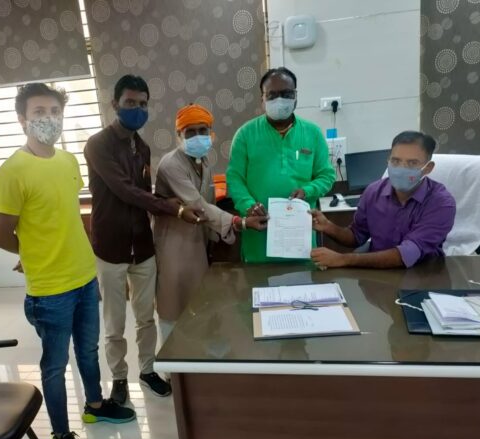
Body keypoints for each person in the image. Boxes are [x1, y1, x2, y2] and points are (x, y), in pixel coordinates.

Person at [0, 83, 136, 439]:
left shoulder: (69, 161)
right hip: (50, 290)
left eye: (55, 111)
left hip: (84, 277)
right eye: (39, 112)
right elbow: (1, 236)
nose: (49, 119)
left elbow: (68, 217)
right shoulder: (12, 172)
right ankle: (60, 433)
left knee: (88, 350)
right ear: (22, 119)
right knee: (55, 365)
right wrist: (31, 256)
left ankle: (95, 406)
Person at [85, 75, 202, 405]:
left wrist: (170, 203)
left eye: (142, 104)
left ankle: (148, 370)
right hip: (110, 247)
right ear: (115, 104)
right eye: (130, 103)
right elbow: (125, 190)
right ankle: (119, 377)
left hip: (143, 245)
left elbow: (143, 193)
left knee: (146, 317)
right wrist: (174, 209)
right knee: (114, 322)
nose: (137, 109)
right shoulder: (98, 144)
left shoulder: (143, 147)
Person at [154, 104, 268, 342]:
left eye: (202, 130)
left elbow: (209, 200)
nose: (197, 136)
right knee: (173, 302)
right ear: (179, 135)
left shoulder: (202, 161)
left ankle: (198, 353)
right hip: (174, 243)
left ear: (211, 133)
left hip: (198, 240)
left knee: (198, 301)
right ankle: (170, 359)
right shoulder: (171, 164)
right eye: (190, 132)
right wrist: (239, 222)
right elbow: (198, 205)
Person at [226, 66, 336, 263]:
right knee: (258, 281)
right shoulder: (245, 134)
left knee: (302, 281)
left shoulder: (312, 133)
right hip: (259, 236)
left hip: (300, 238)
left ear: (296, 97)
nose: (280, 100)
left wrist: (307, 191)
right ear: (262, 99)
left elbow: (326, 175)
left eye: (286, 94)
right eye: (272, 95)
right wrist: (249, 206)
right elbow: (235, 179)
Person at [310, 130, 456, 269]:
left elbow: (406, 255)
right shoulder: (373, 192)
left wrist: (343, 259)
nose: (401, 168)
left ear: (428, 168)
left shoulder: (441, 203)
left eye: (412, 163)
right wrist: (328, 227)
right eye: (395, 161)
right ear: (388, 160)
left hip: (423, 274)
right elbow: (356, 236)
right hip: (377, 273)